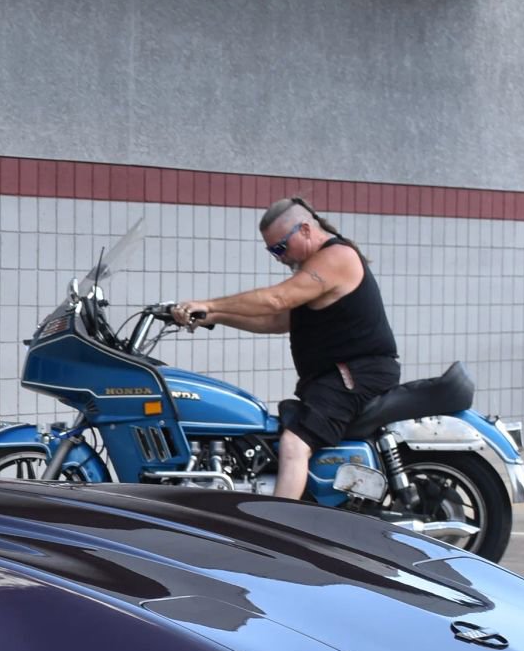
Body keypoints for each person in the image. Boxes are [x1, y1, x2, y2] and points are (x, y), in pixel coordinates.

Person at [169, 198, 399, 501]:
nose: (278, 258)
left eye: (280, 248)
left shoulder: (336, 257)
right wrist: (213, 317)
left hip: (355, 374)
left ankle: (275, 532)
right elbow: (278, 319)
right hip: (336, 376)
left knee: (294, 444)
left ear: (305, 229)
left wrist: (209, 303)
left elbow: (277, 300)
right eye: (272, 251)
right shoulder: (314, 267)